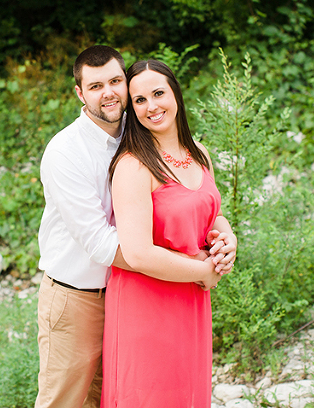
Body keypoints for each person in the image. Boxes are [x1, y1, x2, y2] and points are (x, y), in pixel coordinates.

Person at [35, 47, 235, 408]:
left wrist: (225, 238)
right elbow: (103, 244)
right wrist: (198, 268)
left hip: (136, 287)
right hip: (79, 294)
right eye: (96, 86)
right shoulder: (65, 152)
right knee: (63, 401)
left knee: (115, 397)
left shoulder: (142, 127)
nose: (109, 92)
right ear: (80, 93)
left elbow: (192, 204)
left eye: (115, 81)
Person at [101, 59, 238, 408]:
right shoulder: (134, 166)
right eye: (140, 100)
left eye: (158, 93)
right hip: (146, 305)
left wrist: (228, 239)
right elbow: (138, 253)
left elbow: (210, 213)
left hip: (191, 301)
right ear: (131, 110)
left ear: (175, 92)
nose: (152, 106)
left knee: (187, 394)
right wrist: (206, 271)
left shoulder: (199, 154)